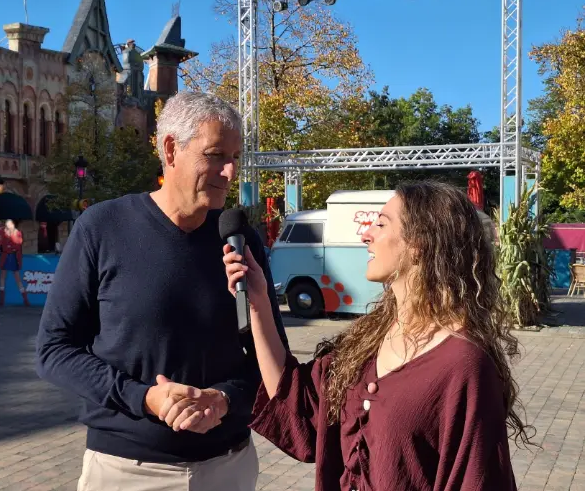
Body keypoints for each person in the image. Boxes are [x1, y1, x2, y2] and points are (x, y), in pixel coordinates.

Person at [36, 91, 288, 491]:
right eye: (215, 155)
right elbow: (55, 351)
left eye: (235, 157)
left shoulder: (240, 240)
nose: (229, 172)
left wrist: (223, 399)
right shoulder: (101, 228)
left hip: (228, 467)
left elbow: (272, 358)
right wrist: (144, 398)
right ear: (171, 149)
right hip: (126, 470)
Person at [223, 181, 531, 491]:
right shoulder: (371, 338)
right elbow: (299, 403)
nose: (365, 235)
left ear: (420, 242)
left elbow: (478, 479)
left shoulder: (464, 365)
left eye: (381, 224)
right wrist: (259, 301)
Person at [0, 219, 29, 307]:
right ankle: (2, 298)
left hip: (13, 256)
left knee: (17, 278)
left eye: (9, 225)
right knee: (3, 276)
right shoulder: (4, 233)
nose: (7, 227)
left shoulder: (17, 233)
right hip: (6, 255)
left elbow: (18, 244)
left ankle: (25, 299)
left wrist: (11, 244)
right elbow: (3, 244)